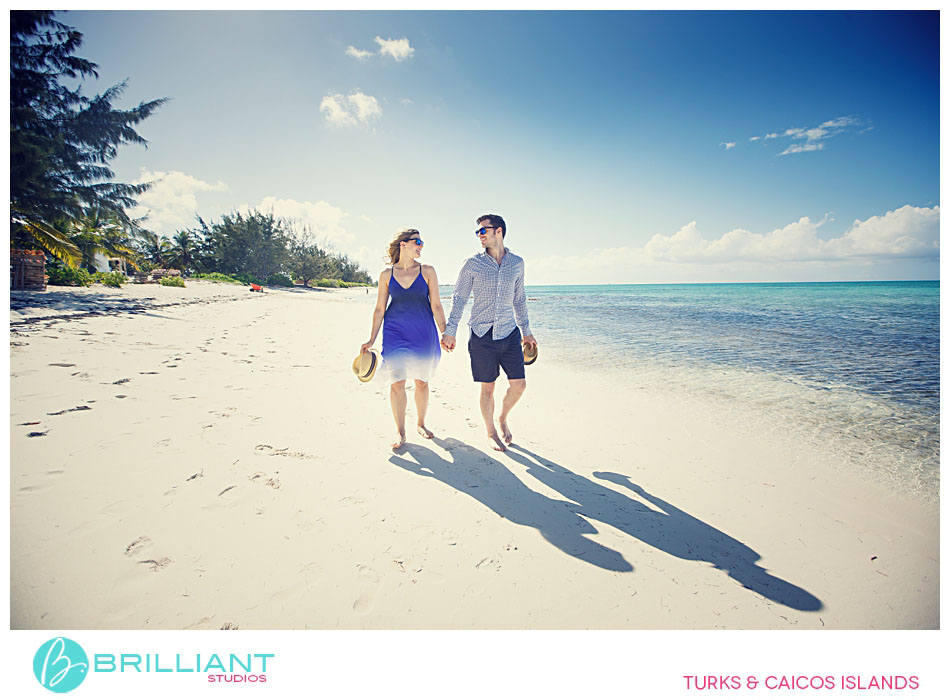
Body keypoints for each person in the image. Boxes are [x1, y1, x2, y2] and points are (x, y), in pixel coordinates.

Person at [441, 214, 537, 452]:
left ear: (499, 232)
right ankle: (490, 431)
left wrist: (527, 331)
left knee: (519, 385)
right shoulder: (472, 264)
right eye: (478, 232)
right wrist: (450, 331)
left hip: (509, 333)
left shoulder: (517, 263)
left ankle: (502, 417)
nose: (480, 235)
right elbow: (459, 298)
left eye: (484, 231)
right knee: (488, 387)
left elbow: (520, 299)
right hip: (481, 335)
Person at [361, 229, 446, 450]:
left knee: (421, 381)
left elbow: (436, 305)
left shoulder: (427, 271)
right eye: (417, 241)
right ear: (403, 245)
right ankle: (400, 431)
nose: (421, 245)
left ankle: (420, 423)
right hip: (395, 332)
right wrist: (371, 339)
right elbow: (379, 308)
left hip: (423, 332)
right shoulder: (386, 275)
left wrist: (446, 332)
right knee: (397, 382)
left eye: (422, 242)